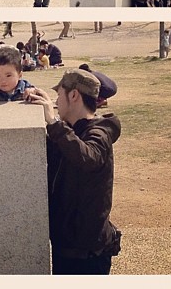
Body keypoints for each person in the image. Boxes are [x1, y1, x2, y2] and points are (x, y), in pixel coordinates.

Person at [25, 69, 122, 274]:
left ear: (74, 95)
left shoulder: (99, 131)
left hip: (87, 252)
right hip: (66, 244)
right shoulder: (68, 132)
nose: (56, 102)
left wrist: (53, 123)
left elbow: (88, 158)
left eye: (59, 95)